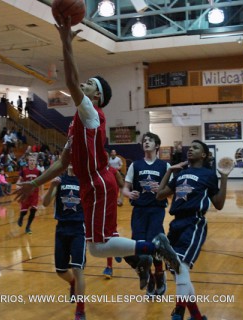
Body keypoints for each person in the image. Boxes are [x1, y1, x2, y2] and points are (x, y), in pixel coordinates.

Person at [15, 16, 180, 291]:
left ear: (97, 97)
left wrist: (66, 42)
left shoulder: (91, 113)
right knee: (102, 246)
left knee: (97, 247)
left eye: (90, 83)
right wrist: (34, 182)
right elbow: (62, 162)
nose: (84, 85)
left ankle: (152, 247)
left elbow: (70, 80)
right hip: (91, 183)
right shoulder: (75, 122)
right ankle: (142, 257)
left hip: (97, 182)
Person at [156, 140, 232, 320]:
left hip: (194, 222)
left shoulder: (208, 175)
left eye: (195, 148)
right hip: (176, 224)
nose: (190, 149)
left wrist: (224, 177)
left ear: (204, 155)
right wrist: (169, 171)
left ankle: (178, 313)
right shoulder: (182, 173)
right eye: (190, 147)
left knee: (181, 266)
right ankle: (196, 316)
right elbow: (160, 194)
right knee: (176, 271)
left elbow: (219, 204)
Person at [122, 132, 169, 296]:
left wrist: (162, 191)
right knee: (140, 246)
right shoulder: (135, 165)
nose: (146, 142)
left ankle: (159, 274)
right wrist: (128, 194)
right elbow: (125, 187)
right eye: (144, 140)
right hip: (139, 211)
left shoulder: (165, 166)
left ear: (157, 145)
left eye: (150, 140)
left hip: (156, 209)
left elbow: (171, 190)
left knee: (154, 244)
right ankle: (148, 277)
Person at [43, 165, 86, 320]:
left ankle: (80, 310)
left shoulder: (84, 181)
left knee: (77, 268)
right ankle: (72, 283)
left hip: (79, 228)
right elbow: (45, 203)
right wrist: (51, 187)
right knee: (61, 270)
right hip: (61, 228)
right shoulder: (59, 180)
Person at [16, 155, 41, 234]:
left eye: (33, 160)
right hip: (26, 194)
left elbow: (42, 183)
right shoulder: (24, 171)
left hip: (35, 194)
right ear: (28, 162)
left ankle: (28, 227)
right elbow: (19, 180)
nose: (32, 162)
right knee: (24, 211)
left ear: (35, 162)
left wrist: (42, 194)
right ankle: (21, 217)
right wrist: (17, 185)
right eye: (30, 160)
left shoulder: (38, 172)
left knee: (33, 210)